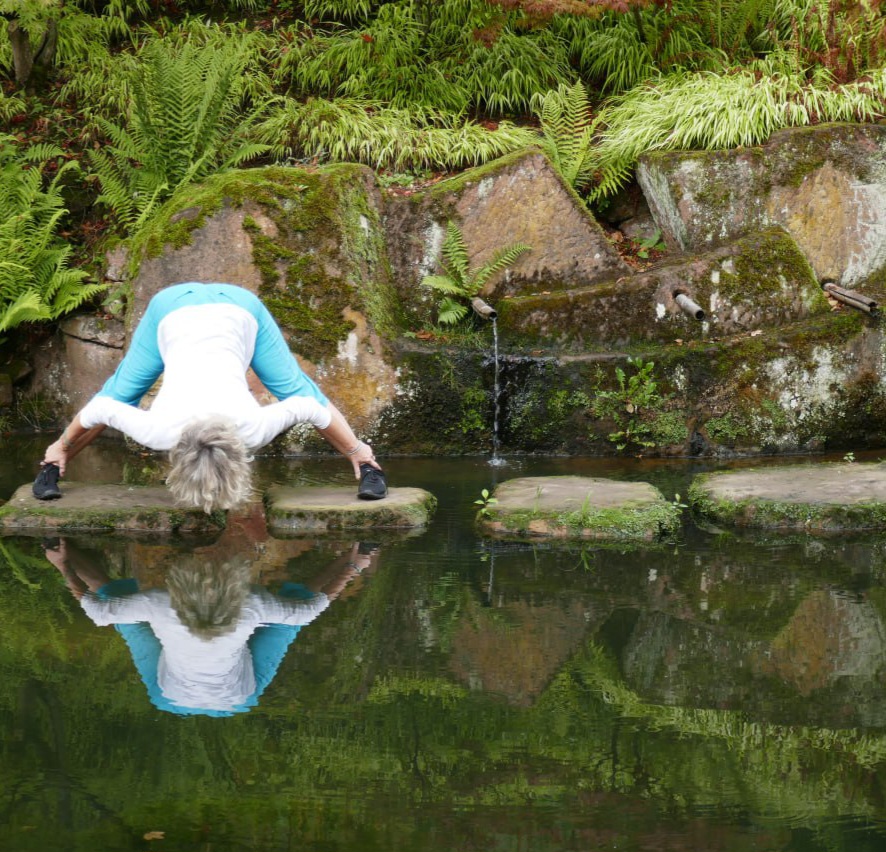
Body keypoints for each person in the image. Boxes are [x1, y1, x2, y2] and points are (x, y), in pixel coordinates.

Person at [32, 282, 387, 509]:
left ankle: (52, 463)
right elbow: (102, 408)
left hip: (213, 307)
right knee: (121, 394)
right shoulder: (167, 432)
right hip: (203, 305)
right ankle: (367, 465)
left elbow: (101, 409)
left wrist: (61, 445)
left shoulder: (242, 429)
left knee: (119, 395)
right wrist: (357, 451)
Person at [43, 537, 380, 716]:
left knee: (114, 598)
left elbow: (99, 613)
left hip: (170, 693)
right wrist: (353, 569)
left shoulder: (160, 602)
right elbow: (309, 611)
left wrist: (62, 569)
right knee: (292, 615)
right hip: (235, 693)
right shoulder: (249, 605)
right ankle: (358, 553)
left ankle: (60, 549)